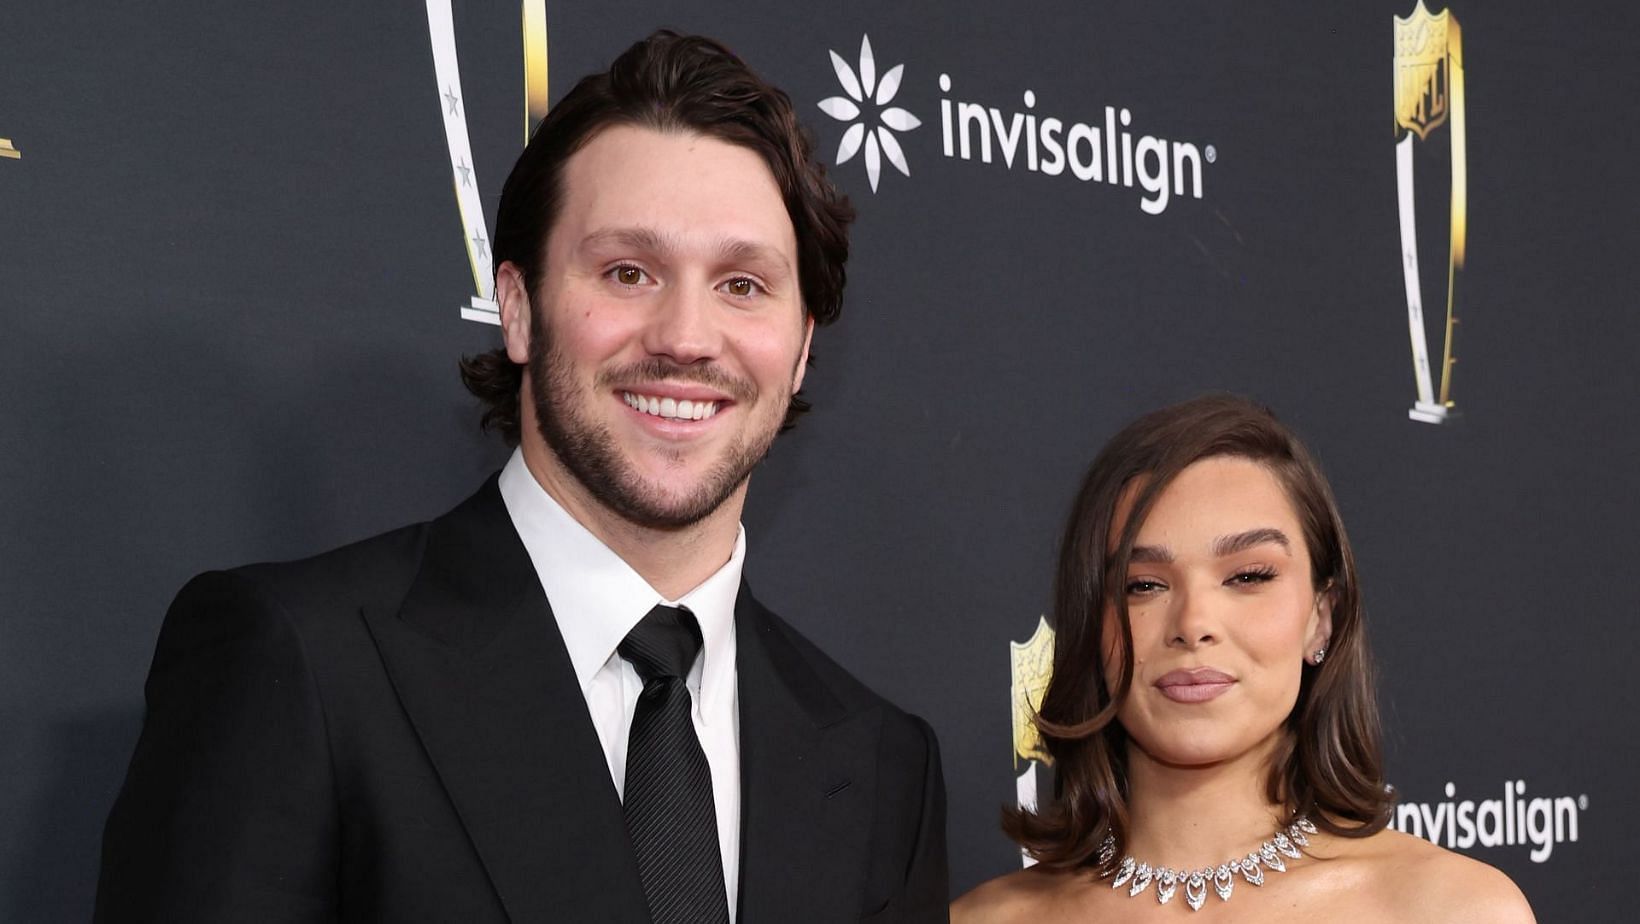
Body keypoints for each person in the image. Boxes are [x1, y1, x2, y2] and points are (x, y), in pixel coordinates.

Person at [96, 31, 947, 923]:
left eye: (742, 284)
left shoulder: (883, 764)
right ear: (518, 308)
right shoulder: (300, 665)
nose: (687, 336)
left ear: (804, 347)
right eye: (629, 271)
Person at [953, 395, 1531, 922]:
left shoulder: (1453, 910)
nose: (1194, 625)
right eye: (1143, 585)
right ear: (1090, 624)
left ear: (1320, 618)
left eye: (1249, 576)